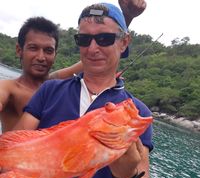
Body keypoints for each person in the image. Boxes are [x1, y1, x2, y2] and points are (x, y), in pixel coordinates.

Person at [5, 2, 153, 178]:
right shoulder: (51, 89)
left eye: (104, 38)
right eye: (84, 39)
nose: (93, 48)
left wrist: (126, 176)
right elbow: (12, 148)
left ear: (124, 42)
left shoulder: (138, 112)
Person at [0, 0, 146, 134]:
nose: (41, 57)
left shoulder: (53, 84)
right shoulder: (8, 88)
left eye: (48, 51)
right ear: (19, 50)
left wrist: (125, 18)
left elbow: (98, 54)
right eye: (33, 48)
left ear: (55, 54)